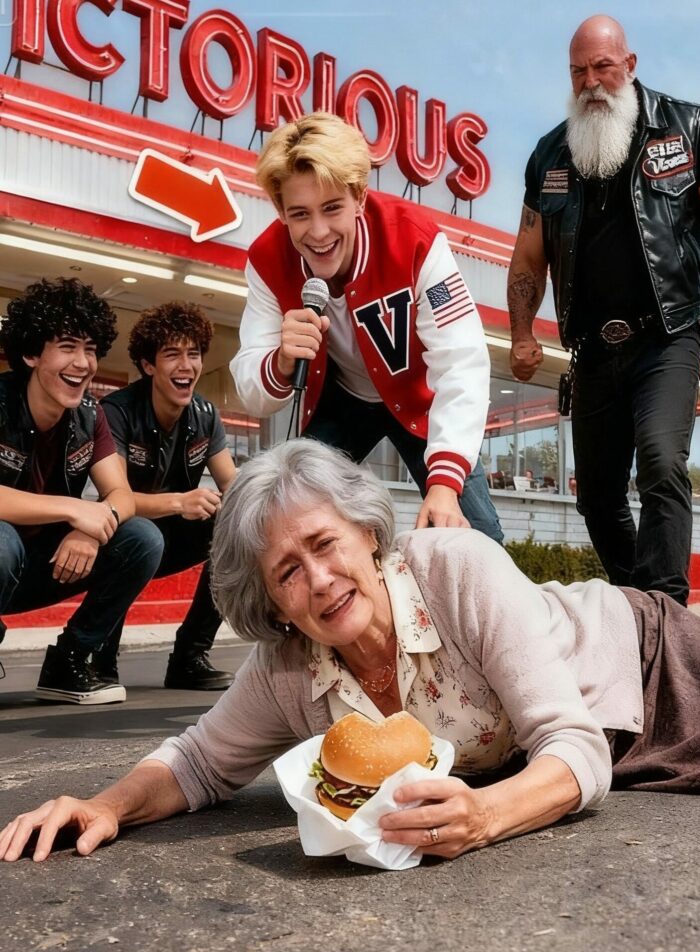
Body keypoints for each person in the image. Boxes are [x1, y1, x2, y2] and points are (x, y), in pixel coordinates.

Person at [5, 438, 700, 865]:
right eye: (286, 574)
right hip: (592, 751)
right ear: (269, 601)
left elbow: (572, 746)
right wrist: (103, 805)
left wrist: (484, 816)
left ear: (368, 535)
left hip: (641, 661)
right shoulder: (289, 671)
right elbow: (191, 762)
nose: (316, 581)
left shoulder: (455, 568)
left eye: (326, 548)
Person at [507, 15, 700, 605]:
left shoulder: (689, 129)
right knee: (596, 497)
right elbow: (528, 259)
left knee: (659, 459)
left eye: (603, 67)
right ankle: (638, 607)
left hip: (667, 337)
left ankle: (668, 609)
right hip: (593, 352)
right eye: (578, 72)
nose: (591, 83)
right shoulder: (549, 155)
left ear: (630, 65)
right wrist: (523, 333)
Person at [231, 112, 503, 544]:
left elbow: (462, 363)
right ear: (280, 211)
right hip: (341, 402)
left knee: (477, 535)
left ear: (359, 196)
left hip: (422, 403)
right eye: (299, 214)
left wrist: (445, 486)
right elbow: (252, 392)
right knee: (280, 526)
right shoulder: (265, 259)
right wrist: (281, 361)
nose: (318, 232)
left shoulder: (416, 240)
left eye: (332, 208)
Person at [0, 279, 163, 705]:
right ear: (32, 353)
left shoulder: (90, 414)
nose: (83, 362)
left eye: (90, 348)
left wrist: (90, 529)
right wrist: (74, 510)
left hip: (46, 565)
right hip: (4, 558)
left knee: (142, 537)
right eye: (68, 347)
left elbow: (121, 495)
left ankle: (69, 661)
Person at [97, 303, 237, 689]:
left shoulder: (206, 414)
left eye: (193, 354)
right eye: (172, 354)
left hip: (174, 536)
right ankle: (98, 657)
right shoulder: (116, 411)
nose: (186, 365)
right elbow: (116, 497)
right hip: (120, 536)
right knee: (138, 533)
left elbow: (235, 486)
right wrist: (181, 501)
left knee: (235, 530)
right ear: (148, 365)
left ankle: (190, 656)